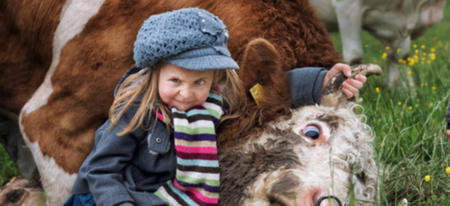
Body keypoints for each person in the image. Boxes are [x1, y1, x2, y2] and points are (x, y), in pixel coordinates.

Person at [64, 8, 366, 206]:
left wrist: (320, 81)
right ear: (152, 74)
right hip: (106, 198)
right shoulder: (134, 112)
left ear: (215, 79)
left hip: (163, 197)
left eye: (199, 82)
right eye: (175, 81)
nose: (186, 93)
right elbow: (100, 170)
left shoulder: (213, 102)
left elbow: (267, 90)